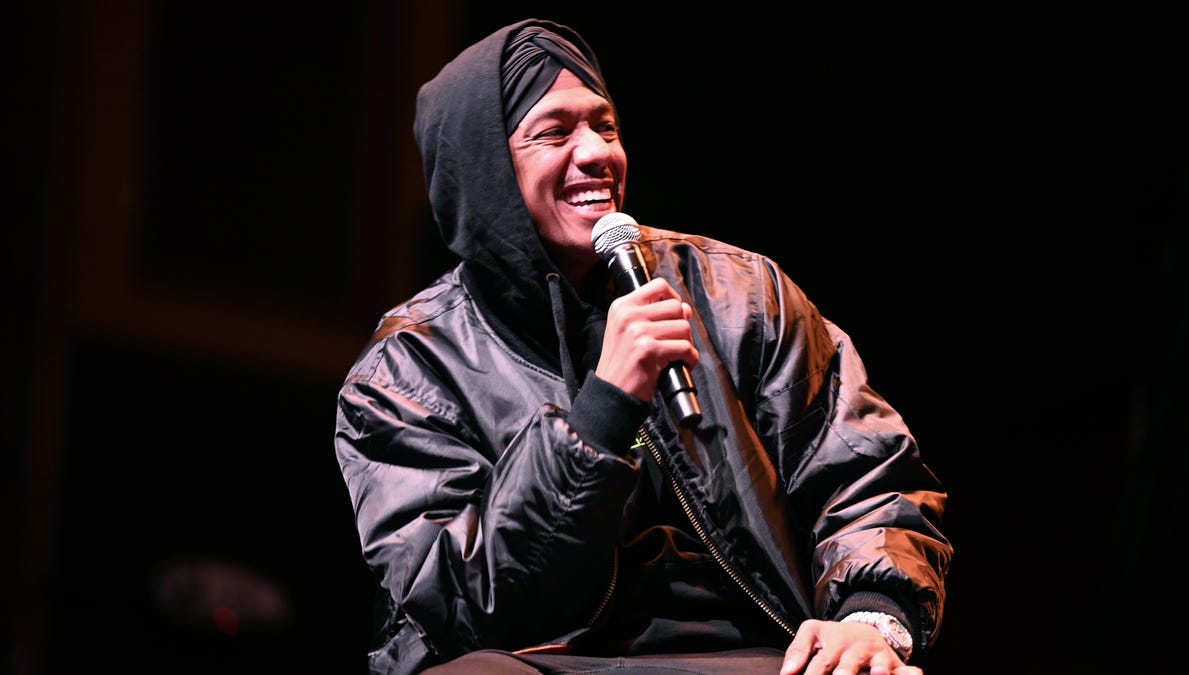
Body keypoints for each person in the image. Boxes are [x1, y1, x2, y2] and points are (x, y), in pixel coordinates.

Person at [334, 17, 952, 675]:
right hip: (544, 660)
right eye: (554, 132)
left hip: (758, 654)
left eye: (605, 127)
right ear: (484, 169)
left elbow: (864, 474)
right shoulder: (407, 371)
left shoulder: (743, 294)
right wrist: (601, 412)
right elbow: (461, 601)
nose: (596, 152)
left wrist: (868, 617)